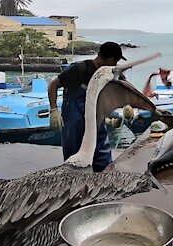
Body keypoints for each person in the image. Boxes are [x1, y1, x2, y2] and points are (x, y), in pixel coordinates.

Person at [48, 41, 126, 172]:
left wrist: (128, 107)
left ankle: (102, 182)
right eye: (116, 61)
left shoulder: (110, 72)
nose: (116, 64)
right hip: (74, 119)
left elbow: (125, 86)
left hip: (96, 119)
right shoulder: (79, 69)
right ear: (111, 59)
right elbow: (53, 85)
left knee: (103, 158)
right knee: (74, 159)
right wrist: (54, 109)